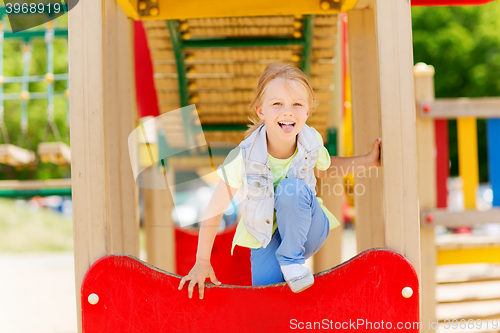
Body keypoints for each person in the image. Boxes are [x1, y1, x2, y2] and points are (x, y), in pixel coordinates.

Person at [178, 63, 381, 299]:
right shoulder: (243, 157)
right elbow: (214, 210)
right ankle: (287, 265)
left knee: (290, 189)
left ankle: (291, 260)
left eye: (297, 104)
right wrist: (202, 261)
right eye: (277, 104)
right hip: (266, 239)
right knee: (268, 300)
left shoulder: (310, 141)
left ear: (308, 111)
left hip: (308, 227)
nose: (288, 111)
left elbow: (325, 168)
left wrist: (368, 161)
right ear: (260, 111)